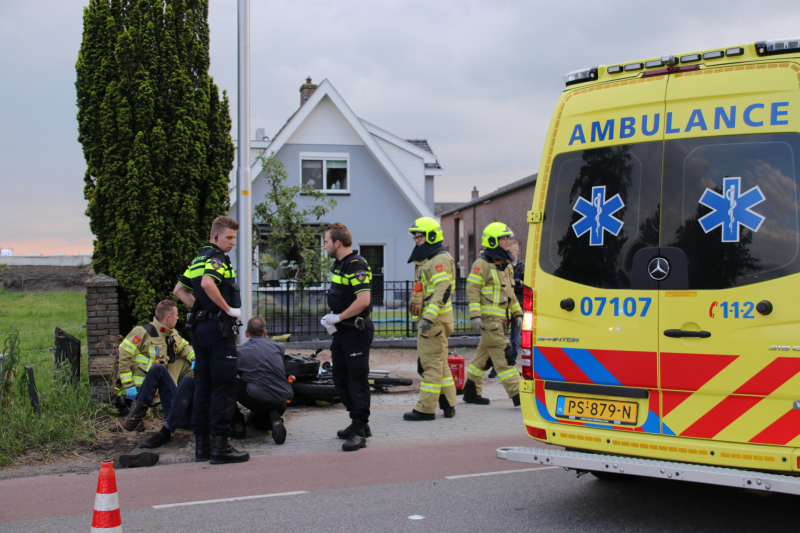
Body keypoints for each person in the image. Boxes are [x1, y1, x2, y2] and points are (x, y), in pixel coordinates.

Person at [173, 215, 249, 465]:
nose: (232, 243)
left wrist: (201, 310)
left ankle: (202, 446)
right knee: (223, 387)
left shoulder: (198, 258)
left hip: (200, 330)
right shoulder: (217, 257)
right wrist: (226, 309)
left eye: (234, 238)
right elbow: (208, 283)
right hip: (218, 331)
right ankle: (220, 446)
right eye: (229, 237)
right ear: (215, 236)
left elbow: (179, 290)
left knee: (203, 386)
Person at [114, 300, 196, 468]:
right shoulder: (142, 332)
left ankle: (135, 420)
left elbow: (185, 348)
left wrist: (194, 358)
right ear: (168, 317)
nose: (178, 318)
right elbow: (123, 355)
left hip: (166, 404)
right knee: (158, 368)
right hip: (139, 391)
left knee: (180, 370)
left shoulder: (172, 335)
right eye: (176, 315)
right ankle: (135, 419)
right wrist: (127, 384)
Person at [319, 222, 374, 452]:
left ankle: (360, 430)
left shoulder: (355, 264)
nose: (325, 246)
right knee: (340, 378)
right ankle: (357, 421)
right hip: (343, 331)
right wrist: (332, 318)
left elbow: (363, 301)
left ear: (337, 243)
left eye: (326, 241)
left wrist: (338, 317)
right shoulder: (340, 266)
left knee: (356, 379)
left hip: (355, 330)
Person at [403, 217, 457, 421]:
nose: (417, 240)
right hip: (437, 321)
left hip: (434, 321)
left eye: (420, 236)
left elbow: (443, 290)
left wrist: (429, 316)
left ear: (432, 236)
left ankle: (425, 409)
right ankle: (449, 405)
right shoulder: (431, 258)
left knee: (430, 365)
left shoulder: (439, 259)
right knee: (440, 363)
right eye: (416, 237)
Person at [464, 222, 522, 406]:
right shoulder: (481, 265)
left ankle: (471, 391)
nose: (507, 242)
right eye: (504, 238)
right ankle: (519, 394)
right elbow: (472, 290)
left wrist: (517, 313)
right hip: (490, 322)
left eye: (507, 238)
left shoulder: (505, 266)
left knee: (483, 357)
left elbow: (510, 293)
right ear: (493, 241)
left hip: (499, 322)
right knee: (505, 357)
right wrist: (475, 316)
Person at [235, 316, 293, 445]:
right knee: (259, 422)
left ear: (246, 333)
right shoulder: (278, 347)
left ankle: (236, 423)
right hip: (281, 401)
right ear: (265, 333)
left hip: (258, 401)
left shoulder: (241, 351)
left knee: (229, 381)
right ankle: (273, 419)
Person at [508, 240, 525, 362]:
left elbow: (526, 285)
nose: (510, 254)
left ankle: (512, 364)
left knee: (515, 339)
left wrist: (513, 283)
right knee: (500, 339)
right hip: (506, 307)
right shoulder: (504, 266)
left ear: (517, 251)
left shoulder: (523, 267)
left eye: (511, 252)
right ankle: (498, 366)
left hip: (519, 306)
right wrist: (518, 282)